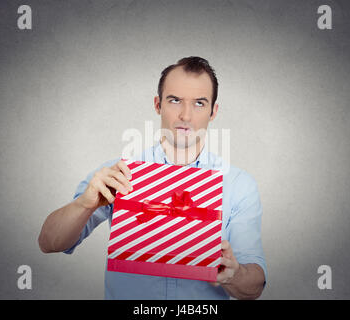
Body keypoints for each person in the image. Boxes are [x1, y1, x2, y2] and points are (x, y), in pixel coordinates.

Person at [38, 56, 267, 299]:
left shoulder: (238, 185)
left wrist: (234, 273)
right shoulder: (118, 173)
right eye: (175, 100)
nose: (186, 116)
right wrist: (84, 204)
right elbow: (49, 243)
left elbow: (253, 288)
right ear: (158, 105)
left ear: (213, 112)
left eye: (199, 103)